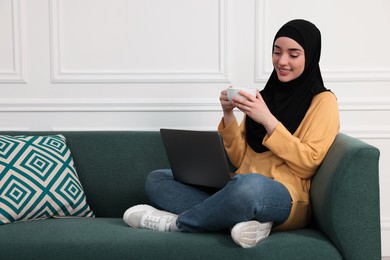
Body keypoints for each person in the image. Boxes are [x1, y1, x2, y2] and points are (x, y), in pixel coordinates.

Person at [123, 19, 340, 248]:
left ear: (311, 56)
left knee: (249, 188)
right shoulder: (263, 97)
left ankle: (177, 224)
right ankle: (244, 222)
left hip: (284, 196)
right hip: (237, 186)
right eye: (277, 52)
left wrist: (268, 120)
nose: (282, 61)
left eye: (293, 55)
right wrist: (228, 114)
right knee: (158, 179)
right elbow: (239, 160)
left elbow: (310, 163)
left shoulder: (323, 102)